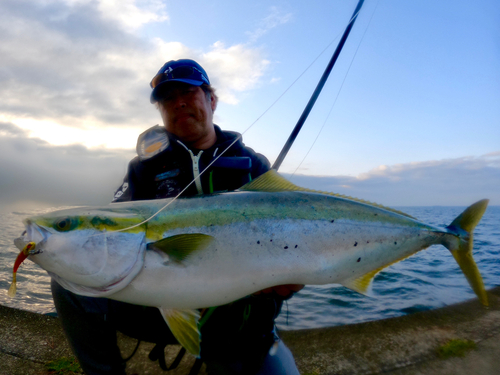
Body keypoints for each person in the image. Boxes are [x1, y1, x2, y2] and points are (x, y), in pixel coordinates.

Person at [51, 59, 302, 374]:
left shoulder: (252, 166)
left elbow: (297, 236)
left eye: (188, 92)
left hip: (238, 316)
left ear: (211, 100)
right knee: (69, 285)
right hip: (161, 304)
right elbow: (116, 232)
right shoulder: (144, 169)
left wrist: (293, 274)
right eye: (168, 98)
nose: (179, 102)